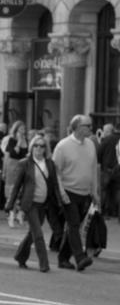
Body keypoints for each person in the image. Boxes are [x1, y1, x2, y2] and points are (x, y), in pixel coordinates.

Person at [6, 133, 62, 272]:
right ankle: (44, 264)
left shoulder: (50, 164)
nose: (38, 148)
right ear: (31, 147)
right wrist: (10, 204)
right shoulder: (25, 163)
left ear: (45, 148)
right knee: (38, 234)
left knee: (32, 233)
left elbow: (54, 185)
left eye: (42, 146)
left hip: (44, 204)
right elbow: (17, 185)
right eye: (36, 145)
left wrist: (60, 201)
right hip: (30, 204)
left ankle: (20, 256)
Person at [52, 114, 100, 270]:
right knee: (73, 224)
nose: (91, 129)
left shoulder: (91, 145)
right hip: (68, 191)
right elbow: (56, 172)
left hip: (85, 193)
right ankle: (80, 258)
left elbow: (93, 169)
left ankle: (63, 258)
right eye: (88, 126)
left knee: (76, 225)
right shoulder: (62, 146)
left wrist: (94, 191)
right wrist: (61, 192)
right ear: (78, 128)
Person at [3, 120, 29, 226]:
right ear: (16, 129)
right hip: (13, 166)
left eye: (24, 129)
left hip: (23, 166)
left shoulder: (27, 140)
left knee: (23, 191)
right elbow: (13, 153)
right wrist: (18, 141)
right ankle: (11, 214)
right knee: (12, 191)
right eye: (21, 129)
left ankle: (19, 213)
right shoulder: (12, 140)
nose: (23, 131)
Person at [97, 121, 120, 220]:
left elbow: (99, 153)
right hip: (118, 170)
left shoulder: (106, 140)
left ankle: (104, 212)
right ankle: (117, 212)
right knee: (118, 191)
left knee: (104, 191)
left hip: (106, 169)